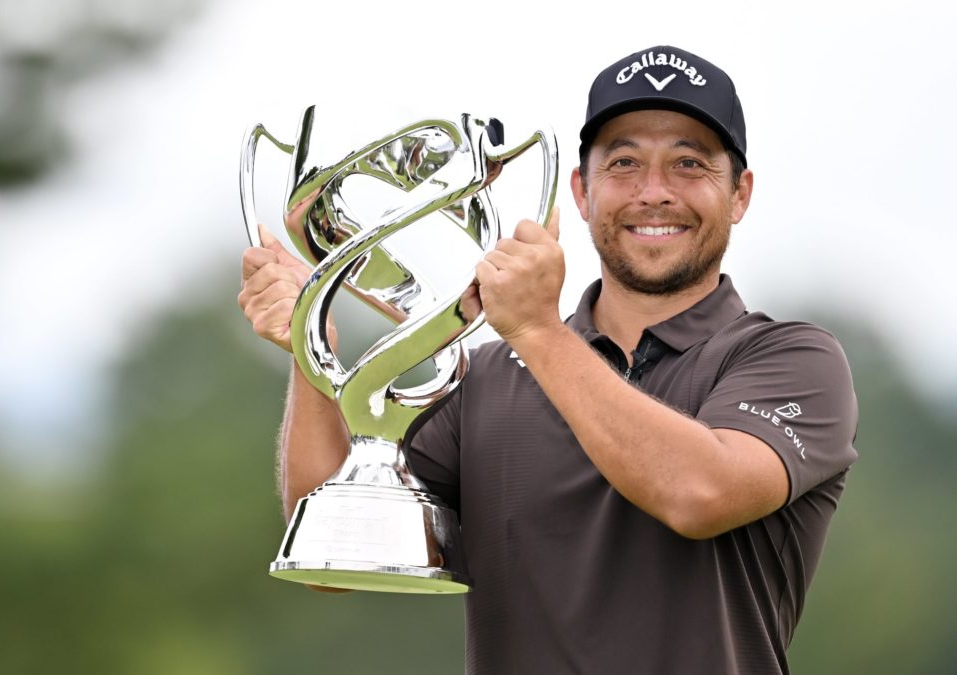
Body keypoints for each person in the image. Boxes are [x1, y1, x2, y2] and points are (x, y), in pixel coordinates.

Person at [238, 45, 858, 674]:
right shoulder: (482, 381)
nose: (654, 192)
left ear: (739, 195)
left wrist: (536, 330)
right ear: (582, 192)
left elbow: (699, 494)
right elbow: (335, 554)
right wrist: (312, 348)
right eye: (624, 163)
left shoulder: (792, 360)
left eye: (689, 164)